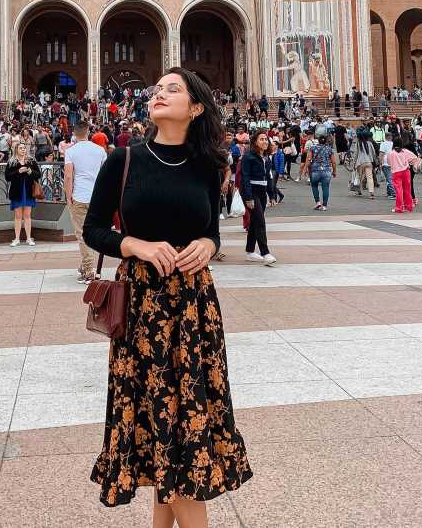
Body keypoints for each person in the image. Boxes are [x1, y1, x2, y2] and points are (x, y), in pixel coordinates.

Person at [83, 68, 253, 517]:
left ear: (195, 108)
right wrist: (134, 245)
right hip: (143, 309)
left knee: (183, 427)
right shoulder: (123, 160)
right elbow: (93, 229)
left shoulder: (208, 165)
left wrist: (208, 245)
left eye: (171, 89)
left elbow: (212, 229)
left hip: (194, 310)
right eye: (157, 89)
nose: (159, 93)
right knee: (162, 423)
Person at [64, 122, 106, 283]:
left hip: (79, 195)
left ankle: (88, 270)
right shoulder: (100, 150)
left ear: (74, 133)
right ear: (88, 131)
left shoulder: (71, 151)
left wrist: (68, 196)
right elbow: (105, 174)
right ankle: (85, 265)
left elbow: (68, 176)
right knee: (93, 231)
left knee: (82, 233)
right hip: (96, 196)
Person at [240, 129, 277, 266]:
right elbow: (245, 177)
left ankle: (250, 251)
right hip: (251, 192)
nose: (264, 141)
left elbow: (269, 177)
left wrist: (272, 195)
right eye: (261, 139)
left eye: (266, 139)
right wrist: (248, 197)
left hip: (262, 192)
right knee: (260, 221)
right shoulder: (248, 157)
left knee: (255, 222)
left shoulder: (266, 158)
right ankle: (265, 253)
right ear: (255, 142)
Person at [5, 142, 40, 246]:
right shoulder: (11, 162)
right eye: (21, 148)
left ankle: (29, 238)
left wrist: (29, 171)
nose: (23, 150)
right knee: (18, 216)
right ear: (16, 150)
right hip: (17, 191)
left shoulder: (31, 161)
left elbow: (38, 174)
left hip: (29, 191)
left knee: (28, 215)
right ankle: (16, 238)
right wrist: (18, 171)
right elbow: (7, 177)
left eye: (24, 148)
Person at [302, 133, 337, 211]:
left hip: (314, 170)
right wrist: (334, 171)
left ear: (318, 141)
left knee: (314, 186)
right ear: (326, 141)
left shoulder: (312, 148)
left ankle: (317, 202)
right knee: (325, 187)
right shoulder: (329, 149)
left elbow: (308, 159)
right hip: (327, 170)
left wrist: (305, 170)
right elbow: (333, 162)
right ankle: (324, 205)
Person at [386, 138, 420, 214]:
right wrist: (413, 165)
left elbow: (388, 162)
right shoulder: (405, 151)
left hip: (396, 172)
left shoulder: (391, 153)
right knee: (407, 189)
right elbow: (415, 158)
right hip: (406, 171)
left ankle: (399, 208)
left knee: (399, 190)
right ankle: (408, 206)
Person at [353, 134, 377, 199]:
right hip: (369, 162)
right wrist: (375, 161)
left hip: (360, 163)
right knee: (370, 177)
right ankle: (371, 192)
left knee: (359, 177)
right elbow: (373, 153)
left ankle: (359, 191)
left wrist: (354, 163)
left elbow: (356, 154)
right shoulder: (369, 143)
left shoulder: (358, 144)